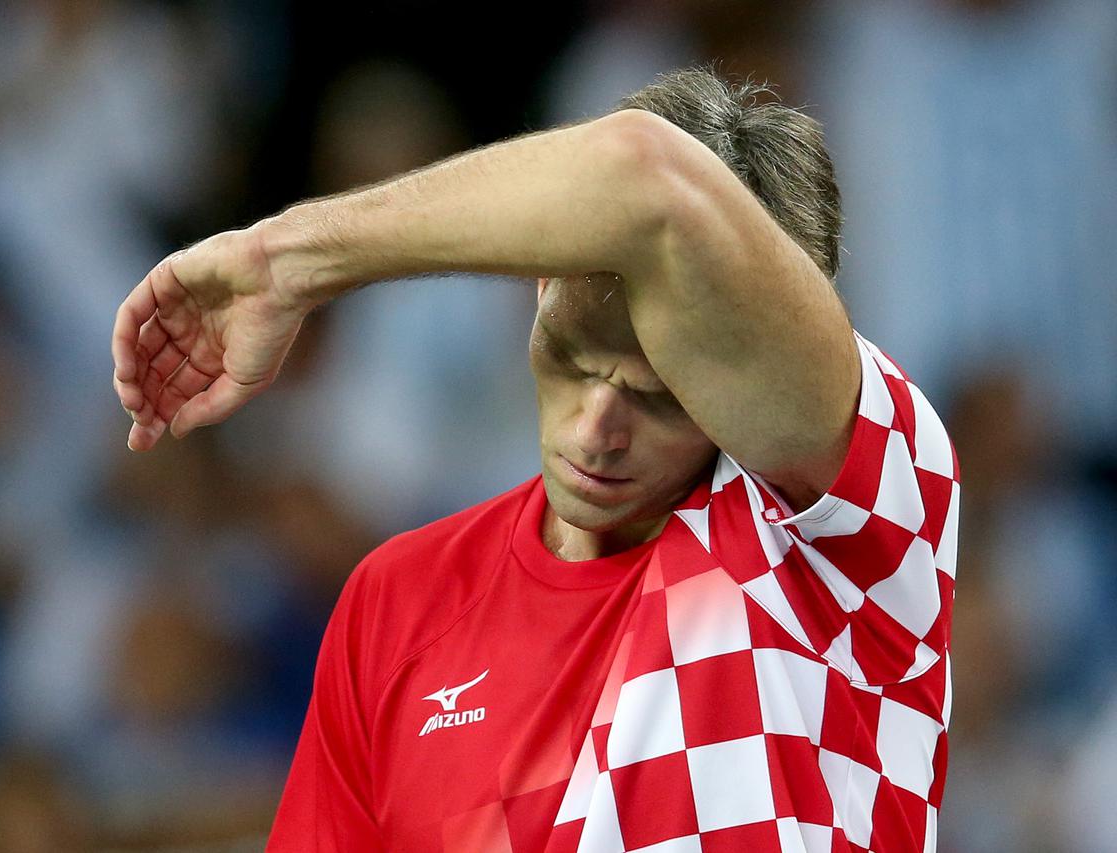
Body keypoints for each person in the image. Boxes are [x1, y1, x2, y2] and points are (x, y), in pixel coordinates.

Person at [111, 68, 959, 852]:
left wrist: (283, 259)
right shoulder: (397, 602)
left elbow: (644, 178)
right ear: (539, 286)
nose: (597, 429)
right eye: (573, 358)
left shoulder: (861, 531)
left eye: (663, 396)